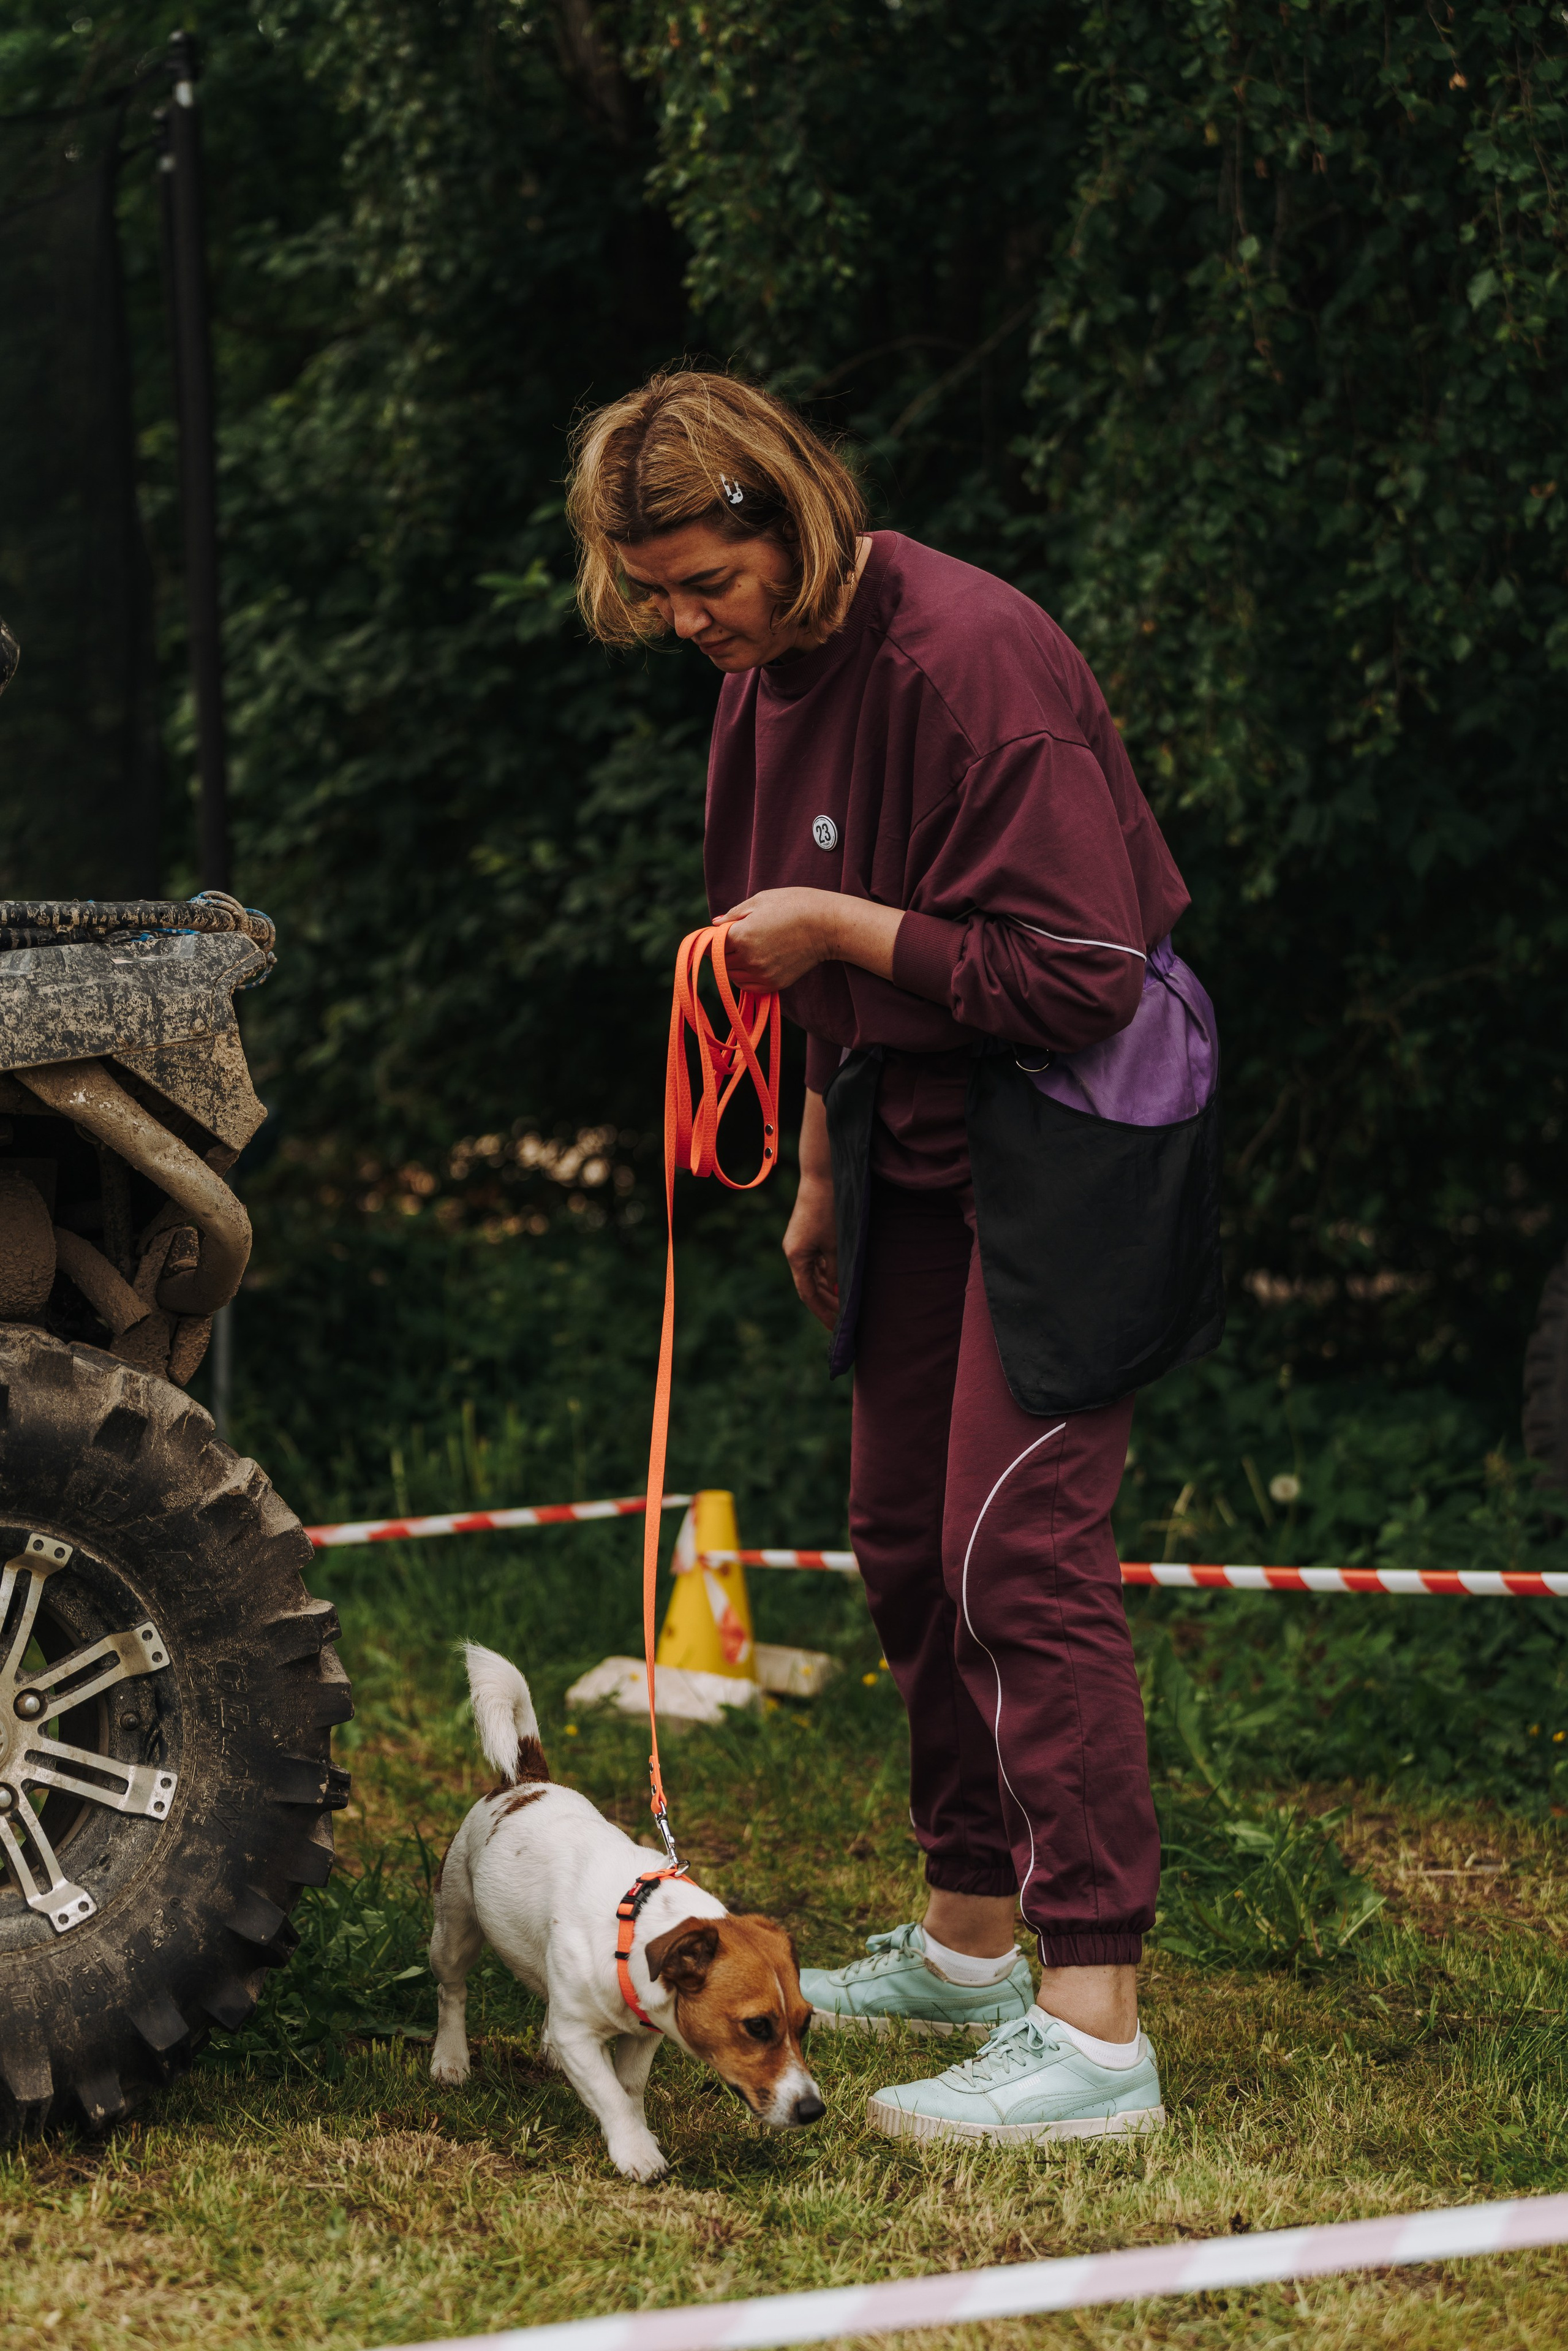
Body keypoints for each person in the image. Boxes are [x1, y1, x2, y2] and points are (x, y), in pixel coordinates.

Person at [566, 371, 1221, 2145]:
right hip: (910, 1128)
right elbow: (786, 965)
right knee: (896, 1542)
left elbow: (1083, 971)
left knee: (1018, 1553)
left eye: (709, 580)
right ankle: (968, 1938)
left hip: (1077, 1125)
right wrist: (823, 1174)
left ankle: (1094, 2033)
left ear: (789, 515)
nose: (688, 622)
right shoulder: (762, 681)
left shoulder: (968, 662)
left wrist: (849, 925)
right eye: (658, 595)